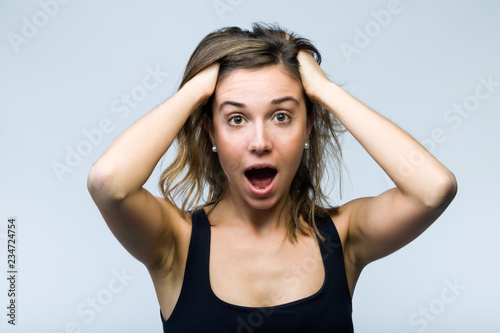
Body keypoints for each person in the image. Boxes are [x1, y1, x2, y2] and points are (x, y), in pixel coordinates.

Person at [87, 23, 457, 332]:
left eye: (282, 116)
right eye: (236, 118)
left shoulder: (343, 237)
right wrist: (196, 90)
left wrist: (324, 91)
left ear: (308, 125)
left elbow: (433, 188)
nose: (260, 142)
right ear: (211, 133)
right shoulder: (175, 242)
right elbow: (108, 182)